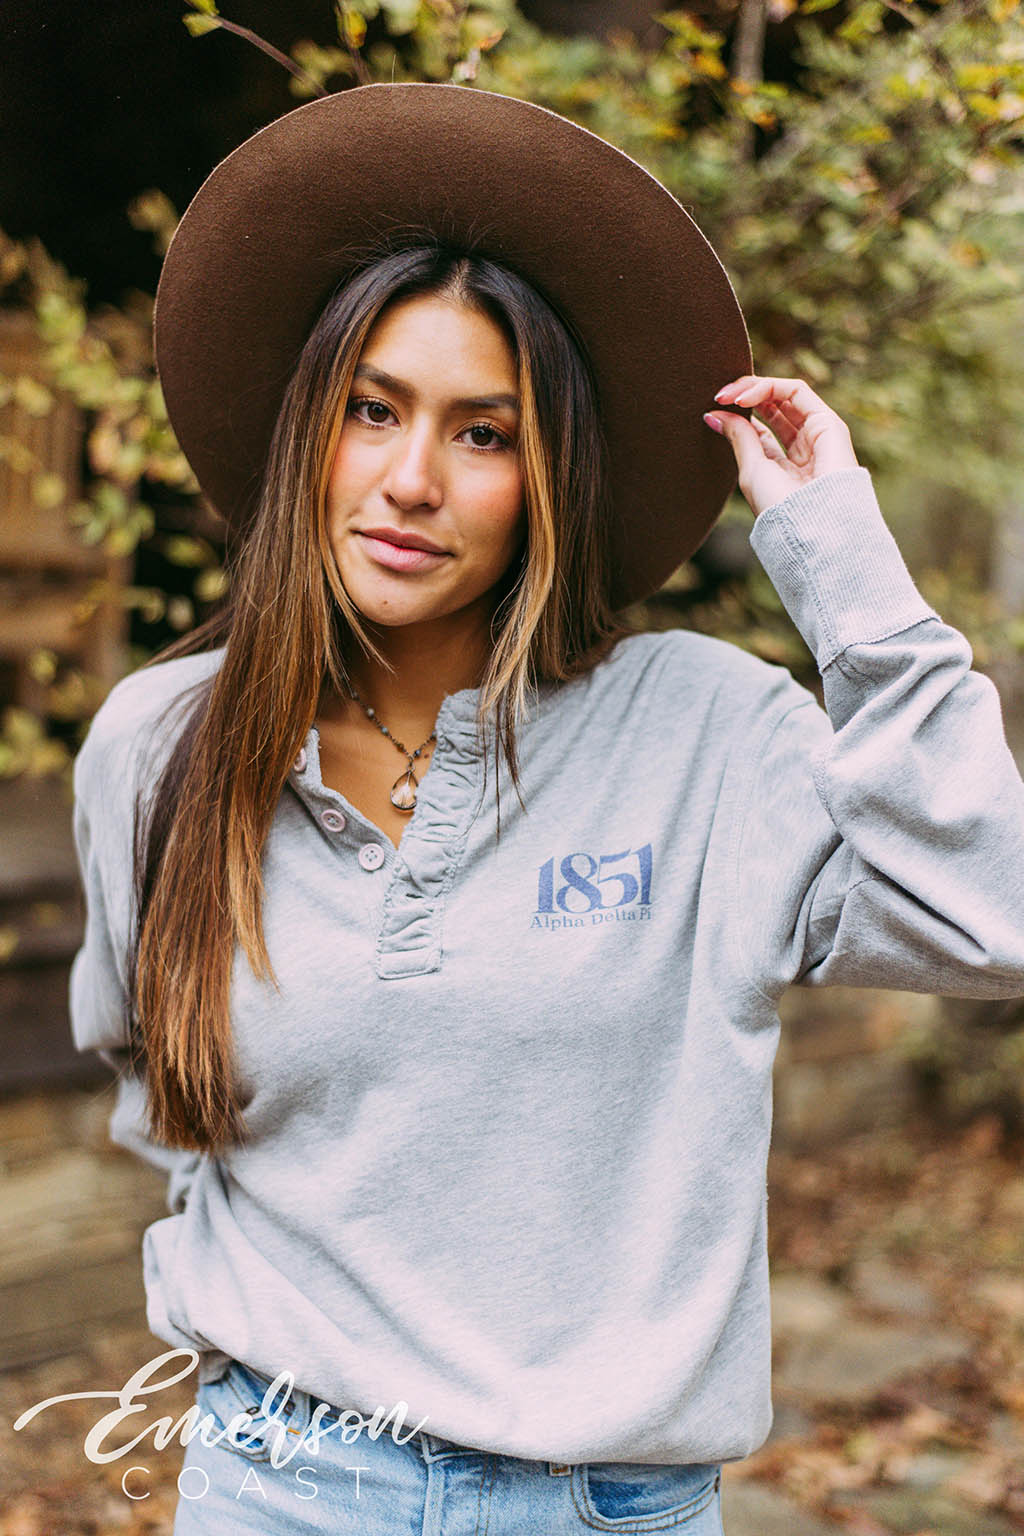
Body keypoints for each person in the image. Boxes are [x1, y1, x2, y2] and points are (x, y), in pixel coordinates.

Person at [68, 83, 1024, 1535]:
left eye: (483, 435)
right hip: (277, 1488)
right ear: (306, 433)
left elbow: (995, 921)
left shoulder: (709, 734)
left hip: (605, 1506)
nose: (409, 481)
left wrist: (840, 557)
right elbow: (157, 1087)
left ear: (549, 478)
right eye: (372, 410)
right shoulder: (156, 750)